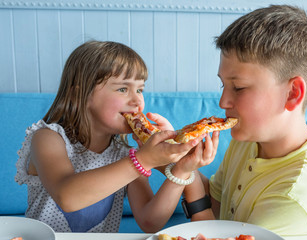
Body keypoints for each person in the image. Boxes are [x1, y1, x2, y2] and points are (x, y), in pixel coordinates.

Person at [14, 40, 217, 233]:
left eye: (140, 89)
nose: (137, 100)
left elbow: (150, 221)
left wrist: (179, 171)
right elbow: (67, 196)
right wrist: (144, 160)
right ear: (80, 96)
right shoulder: (48, 138)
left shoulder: (123, 153)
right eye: (123, 89)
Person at [182, 5, 307, 236]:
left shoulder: (296, 196)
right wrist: (178, 160)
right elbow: (218, 208)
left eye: (238, 88)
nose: (223, 102)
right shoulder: (249, 139)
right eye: (224, 85)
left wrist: (185, 178)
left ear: (292, 93)